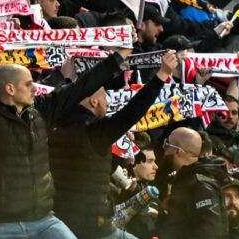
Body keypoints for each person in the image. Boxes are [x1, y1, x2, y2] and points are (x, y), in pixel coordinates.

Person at [0, 32, 131, 239]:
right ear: (10, 89)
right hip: (3, 224)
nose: (34, 88)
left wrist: (118, 57)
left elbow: (81, 87)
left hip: (43, 220)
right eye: (27, 84)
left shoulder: (41, 111)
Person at [50, 49, 180, 238]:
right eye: (105, 97)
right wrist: (162, 75)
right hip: (93, 227)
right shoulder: (94, 131)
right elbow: (131, 112)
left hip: (62, 221)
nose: (108, 103)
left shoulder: (54, 126)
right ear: (94, 101)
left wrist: (68, 80)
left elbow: (61, 101)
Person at [157, 127, 228, 238]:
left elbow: (210, 232)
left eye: (167, 145)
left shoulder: (200, 184)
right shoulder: (186, 179)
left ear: (177, 152)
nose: (165, 151)